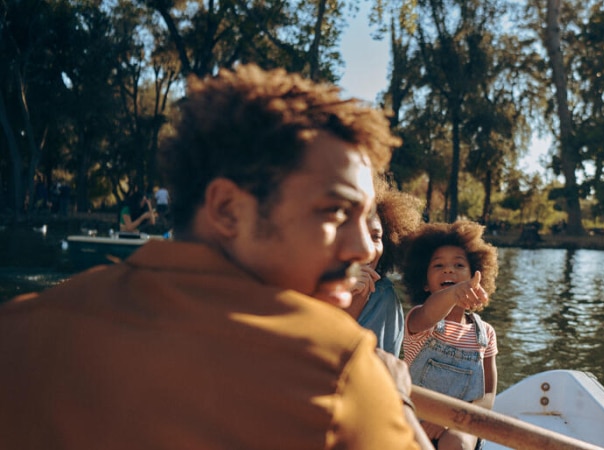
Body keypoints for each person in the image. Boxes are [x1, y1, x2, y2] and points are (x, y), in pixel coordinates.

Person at [0, 64, 429, 449]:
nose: (364, 249)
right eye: (335, 212)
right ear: (227, 209)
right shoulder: (337, 372)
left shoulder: (20, 330)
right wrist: (397, 401)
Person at [401, 220, 500, 449]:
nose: (449, 269)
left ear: (477, 277)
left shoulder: (485, 333)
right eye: (438, 266)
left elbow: (487, 397)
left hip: (461, 423)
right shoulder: (420, 320)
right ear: (424, 284)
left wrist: (448, 420)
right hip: (414, 416)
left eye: (458, 265)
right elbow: (433, 308)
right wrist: (454, 292)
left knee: (456, 442)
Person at [341, 181, 423, 355]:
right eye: (355, 233)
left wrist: (358, 298)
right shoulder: (299, 285)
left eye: (375, 237)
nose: (367, 247)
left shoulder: (382, 297)